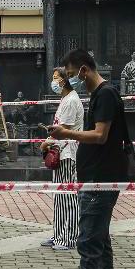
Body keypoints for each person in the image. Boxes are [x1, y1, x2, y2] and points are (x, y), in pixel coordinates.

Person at [46, 50, 135, 269]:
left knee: (88, 243)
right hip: (94, 177)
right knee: (100, 240)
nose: (72, 80)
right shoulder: (100, 94)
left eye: (73, 75)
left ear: (84, 70)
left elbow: (100, 135)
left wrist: (66, 134)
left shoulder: (105, 94)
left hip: (100, 180)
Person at [40, 68, 84, 251]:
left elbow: (63, 130)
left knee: (68, 197)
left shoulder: (71, 100)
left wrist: (46, 143)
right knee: (59, 196)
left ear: (64, 80)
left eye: (56, 78)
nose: (53, 81)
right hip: (60, 152)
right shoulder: (65, 99)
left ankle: (69, 237)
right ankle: (58, 234)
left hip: (68, 154)